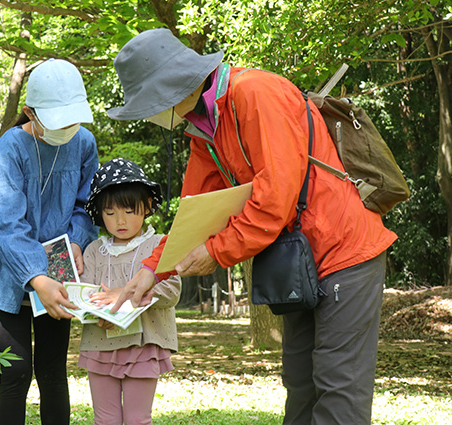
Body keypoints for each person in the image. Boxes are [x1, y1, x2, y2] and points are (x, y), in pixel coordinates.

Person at [106, 28, 397, 425]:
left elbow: (273, 201)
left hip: (345, 249)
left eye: (150, 103)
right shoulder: (202, 127)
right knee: (300, 384)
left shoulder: (255, 93)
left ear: (174, 86)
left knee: (338, 388)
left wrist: (216, 252)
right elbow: (196, 214)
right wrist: (151, 270)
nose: (152, 114)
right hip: (299, 262)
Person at [0, 58, 99, 425]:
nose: (67, 129)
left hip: (59, 272)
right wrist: (36, 277)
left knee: (52, 373)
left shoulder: (84, 142)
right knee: (15, 372)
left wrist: (76, 243)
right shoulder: (11, 146)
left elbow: (86, 205)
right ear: (30, 112)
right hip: (11, 273)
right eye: (57, 120)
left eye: (73, 119)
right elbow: (6, 222)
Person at [79, 158, 181, 425]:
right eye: (110, 213)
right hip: (100, 343)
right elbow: (85, 295)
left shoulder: (158, 245)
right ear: (99, 213)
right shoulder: (94, 251)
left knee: (138, 419)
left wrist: (130, 294)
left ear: (147, 206)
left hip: (143, 344)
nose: (120, 221)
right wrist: (94, 313)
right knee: (105, 420)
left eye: (129, 211)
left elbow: (172, 290)